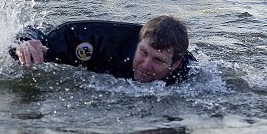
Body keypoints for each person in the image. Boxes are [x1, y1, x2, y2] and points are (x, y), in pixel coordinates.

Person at [12, 15, 196, 86]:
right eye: (144, 53)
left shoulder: (187, 71)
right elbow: (34, 32)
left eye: (158, 60)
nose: (146, 65)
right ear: (138, 43)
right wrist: (26, 43)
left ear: (175, 64)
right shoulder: (98, 39)